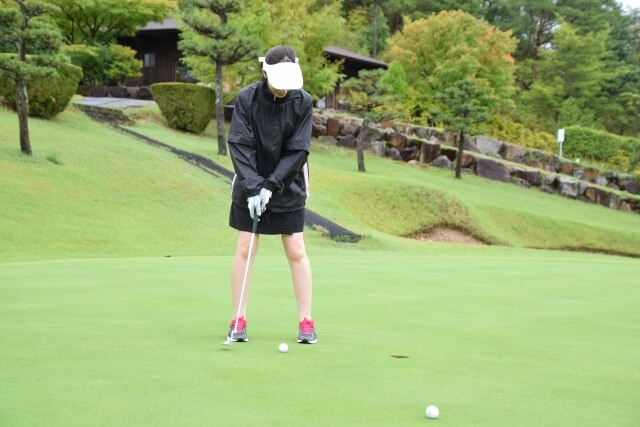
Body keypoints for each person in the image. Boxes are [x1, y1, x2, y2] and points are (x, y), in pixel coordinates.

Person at [225, 45, 316, 344]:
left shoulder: (303, 101)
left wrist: (271, 185)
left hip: (287, 183)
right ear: (265, 73)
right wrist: (253, 187)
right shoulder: (246, 98)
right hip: (250, 180)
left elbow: (298, 150)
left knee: (296, 249)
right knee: (245, 247)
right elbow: (240, 144)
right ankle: (238, 319)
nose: (283, 89)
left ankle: (306, 321)